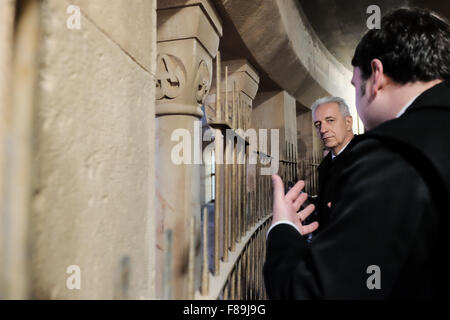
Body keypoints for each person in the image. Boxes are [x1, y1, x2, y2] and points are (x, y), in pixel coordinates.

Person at [264, 7, 450, 299]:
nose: (323, 129)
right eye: (317, 124)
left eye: (354, 85)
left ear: (375, 76)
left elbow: (308, 294)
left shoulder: (392, 156)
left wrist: (282, 228)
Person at [308, 97, 356, 234]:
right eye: (318, 124)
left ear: (348, 122)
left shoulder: (367, 156)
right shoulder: (326, 164)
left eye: (330, 120)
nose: (323, 129)